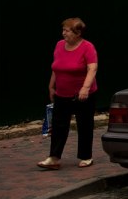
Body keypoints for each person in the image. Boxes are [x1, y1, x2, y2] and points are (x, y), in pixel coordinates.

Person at [38, 17, 99, 170]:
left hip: (83, 94)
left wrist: (85, 88)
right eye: (63, 30)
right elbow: (56, 67)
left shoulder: (87, 47)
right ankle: (54, 158)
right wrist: (51, 86)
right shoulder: (59, 45)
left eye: (67, 31)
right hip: (62, 93)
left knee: (84, 124)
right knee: (59, 126)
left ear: (77, 33)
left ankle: (86, 156)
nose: (63, 33)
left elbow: (92, 69)